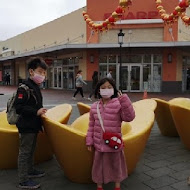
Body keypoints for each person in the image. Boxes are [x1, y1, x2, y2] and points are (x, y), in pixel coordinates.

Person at [86, 77, 135, 190]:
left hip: (113, 143)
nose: (106, 90)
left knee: (116, 165)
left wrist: (124, 99)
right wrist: (89, 141)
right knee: (98, 167)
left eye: (109, 87)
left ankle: (117, 186)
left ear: (114, 90)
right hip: (99, 144)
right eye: (103, 88)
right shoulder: (94, 107)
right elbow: (91, 126)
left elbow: (129, 117)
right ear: (98, 90)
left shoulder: (118, 104)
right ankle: (99, 186)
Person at [14, 57, 48, 189]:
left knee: (31, 150)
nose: (43, 75)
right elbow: (19, 108)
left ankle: (30, 170)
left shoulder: (35, 86)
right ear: (31, 71)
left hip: (33, 125)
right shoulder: (24, 87)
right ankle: (23, 180)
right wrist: (36, 111)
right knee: (25, 152)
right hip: (26, 125)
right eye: (40, 72)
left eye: (44, 73)